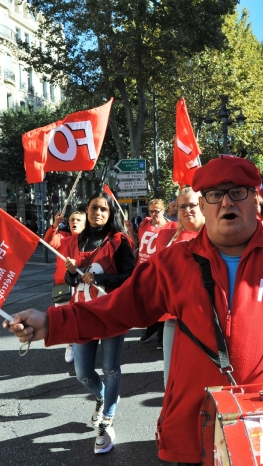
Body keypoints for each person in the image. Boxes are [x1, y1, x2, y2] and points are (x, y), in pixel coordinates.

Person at [4, 155, 263, 466]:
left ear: (255, 200)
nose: (227, 203)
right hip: (194, 429)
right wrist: (51, 322)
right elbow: (115, 310)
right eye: (215, 195)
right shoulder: (172, 264)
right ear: (202, 205)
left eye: (238, 193)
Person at [63, 192, 135, 454]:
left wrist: (105, 281)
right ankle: (103, 396)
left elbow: (131, 276)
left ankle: (107, 420)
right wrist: (71, 273)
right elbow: (69, 282)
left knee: (111, 369)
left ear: (109, 213)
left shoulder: (120, 241)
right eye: (94, 208)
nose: (98, 213)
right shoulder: (74, 241)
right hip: (83, 314)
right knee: (82, 372)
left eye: (103, 209)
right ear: (87, 209)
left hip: (111, 313)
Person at [155, 187, 205, 387]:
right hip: (174, 319)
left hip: (208, 319)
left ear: (202, 205)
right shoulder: (165, 237)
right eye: (182, 206)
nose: (187, 210)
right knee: (171, 382)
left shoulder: (217, 234)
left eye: (192, 205)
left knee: (205, 383)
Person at [44, 211, 87, 363]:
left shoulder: (89, 239)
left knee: (82, 317)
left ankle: (84, 343)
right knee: (65, 317)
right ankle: (70, 344)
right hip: (64, 284)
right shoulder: (62, 237)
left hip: (84, 284)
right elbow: (48, 241)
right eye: (72, 220)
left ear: (85, 224)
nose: (74, 222)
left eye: (78, 220)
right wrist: (55, 225)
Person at [137, 199, 176, 347]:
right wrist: (129, 230)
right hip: (144, 270)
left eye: (156, 211)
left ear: (163, 210)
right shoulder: (145, 223)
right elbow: (138, 243)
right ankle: (150, 328)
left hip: (159, 271)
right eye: (151, 211)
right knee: (147, 302)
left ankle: (160, 335)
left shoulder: (171, 227)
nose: (153, 214)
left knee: (160, 302)